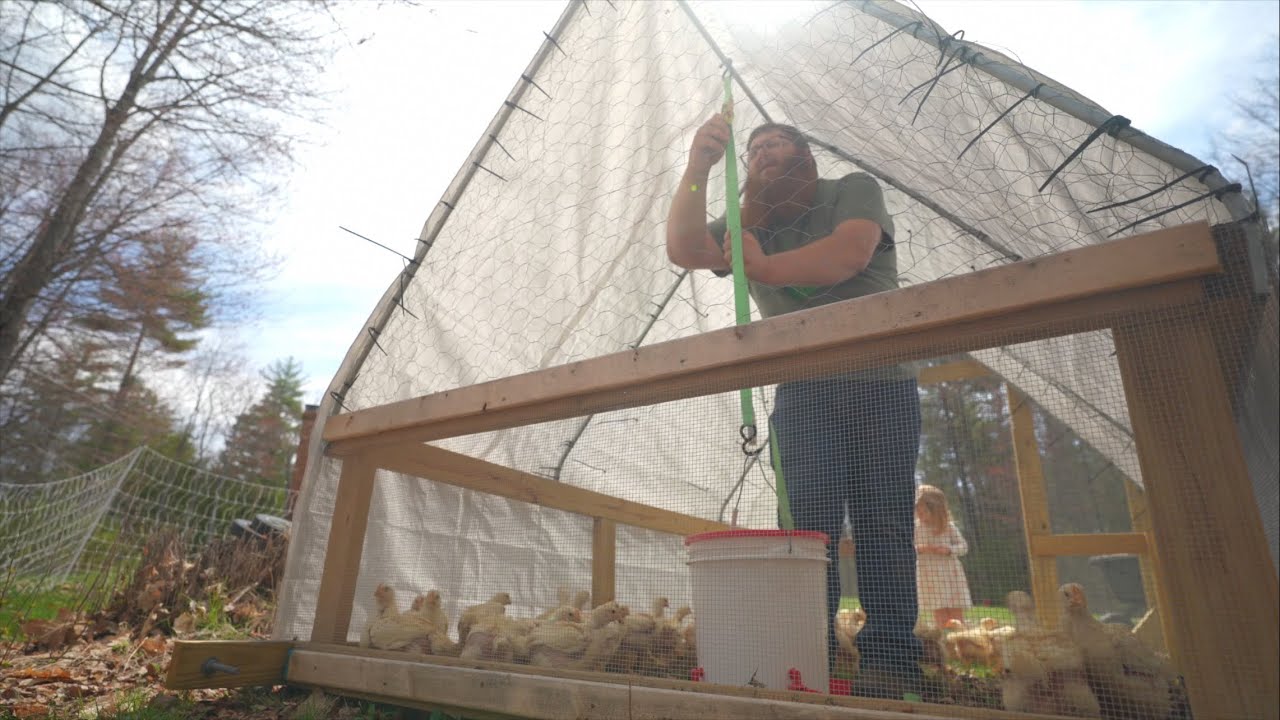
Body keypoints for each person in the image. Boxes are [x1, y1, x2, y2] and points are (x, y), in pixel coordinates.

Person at [666, 114, 925, 697]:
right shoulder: (745, 222)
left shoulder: (851, 190)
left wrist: (758, 267)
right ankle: (811, 658)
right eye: (755, 148)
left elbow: (849, 254)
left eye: (779, 142)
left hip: (879, 375)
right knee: (807, 531)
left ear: (806, 157)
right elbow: (683, 247)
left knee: (884, 519)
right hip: (803, 390)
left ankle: (891, 661)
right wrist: (697, 167)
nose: (764, 151)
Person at [914, 484, 973, 630]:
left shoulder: (948, 527)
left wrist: (948, 550)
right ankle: (944, 642)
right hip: (929, 576)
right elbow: (909, 549)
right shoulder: (915, 528)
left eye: (924, 511)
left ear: (936, 510)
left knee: (955, 614)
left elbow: (963, 547)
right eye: (918, 510)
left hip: (949, 575)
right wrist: (919, 550)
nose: (920, 514)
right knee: (939, 613)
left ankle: (960, 638)